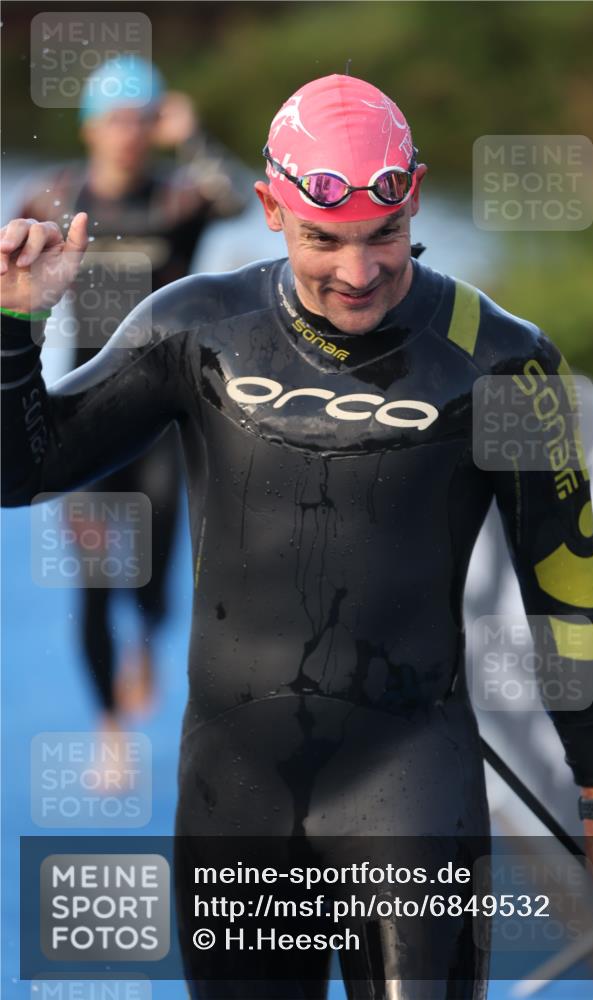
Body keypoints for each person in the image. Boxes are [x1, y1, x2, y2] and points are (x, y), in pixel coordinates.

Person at [1, 73, 593, 998]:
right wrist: (12, 329)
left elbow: (569, 595)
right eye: (324, 239)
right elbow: (20, 473)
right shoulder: (198, 326)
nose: (358, 274)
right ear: (272, 208)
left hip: (409, 782)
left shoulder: (501, 360)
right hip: (234, 790)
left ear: (415, 197)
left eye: (383, 236)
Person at [13, 55, 249, 735]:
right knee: (92, 576)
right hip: (84, 405)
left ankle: (145, 641)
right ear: (90, 128)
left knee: (152, 574)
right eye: (115, 120)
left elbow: (243, 201)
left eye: (142, 120)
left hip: (164, 413)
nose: (129, 134)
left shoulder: (180, 198)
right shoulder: (52, 197)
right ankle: (109, 724)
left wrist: (194, 136)